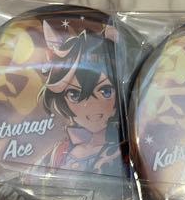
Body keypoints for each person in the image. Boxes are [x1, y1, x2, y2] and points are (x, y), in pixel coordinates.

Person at [38, 21, 122, 174]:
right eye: (74, 95)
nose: (90, 106)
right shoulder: (59, 151)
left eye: (105, 91)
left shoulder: (121, 153)